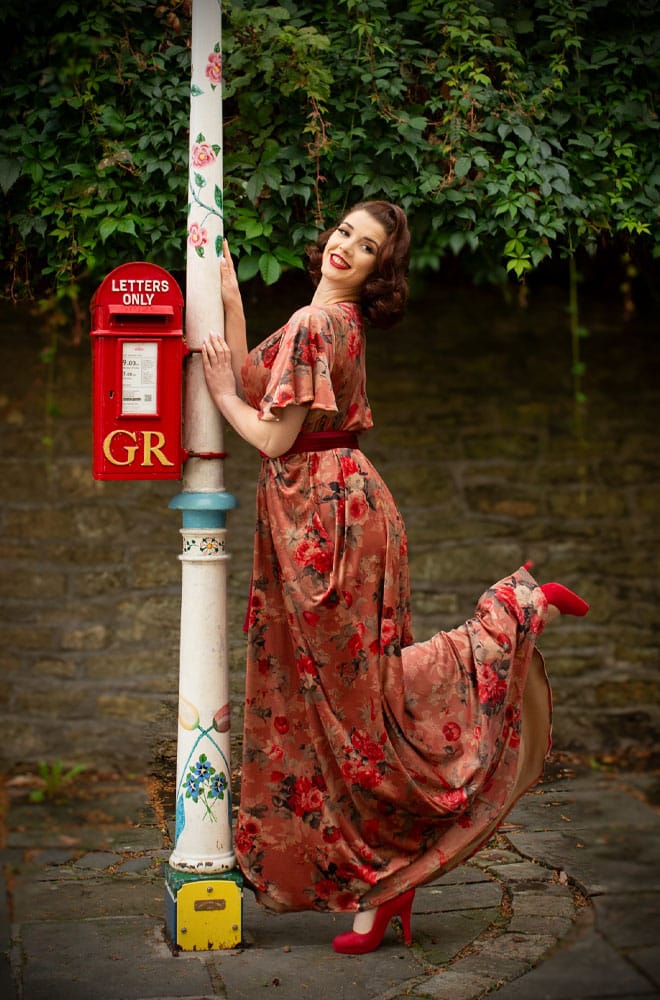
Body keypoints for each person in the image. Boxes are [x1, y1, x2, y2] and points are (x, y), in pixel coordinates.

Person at [201, 201, 589, 955]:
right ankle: (386, 891)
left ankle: (513, 612)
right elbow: (264, 390)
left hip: (328, 523)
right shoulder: (317, 317)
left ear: (381, 268)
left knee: (355, 709)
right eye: (345, 232)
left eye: (368, 246)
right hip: (323, 510)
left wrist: (218, 397)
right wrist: (233, 302)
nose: (347, 247)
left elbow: (272, 432)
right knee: (339, 711)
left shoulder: (323, 324)